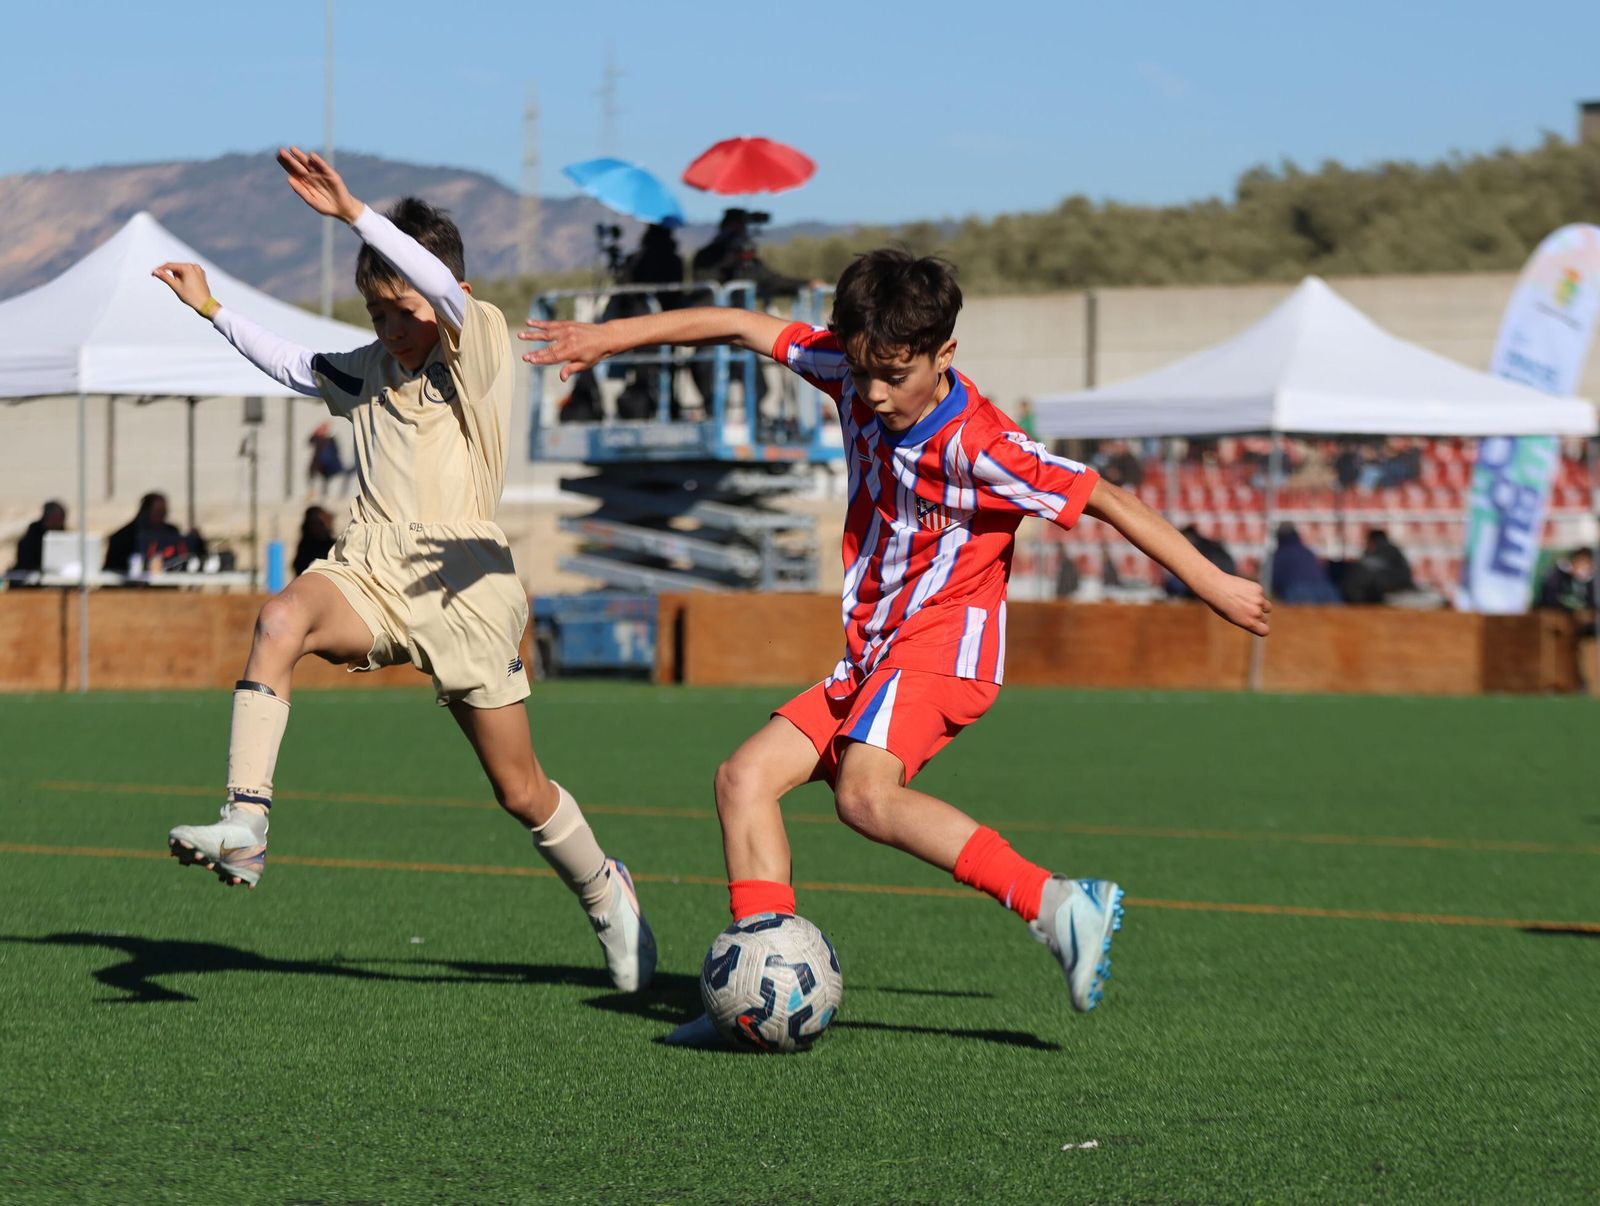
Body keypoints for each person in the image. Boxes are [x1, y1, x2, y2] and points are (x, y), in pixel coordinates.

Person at [524, 249, 1270, 1038]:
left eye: (896, 375)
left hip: (947, 648)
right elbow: (740, 324)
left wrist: (1212, 581)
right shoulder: (852, 372)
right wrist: (609, 338)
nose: (874, 394)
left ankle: (1058, 904)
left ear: (944, 353)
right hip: (874, 652)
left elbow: (1106, 499)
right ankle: (751, 988)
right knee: (743, 779)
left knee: (864, 794)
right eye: (862, 371)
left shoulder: (982, 445)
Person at [150, 148, 654, 992]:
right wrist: (211, 309)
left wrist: (354, 214)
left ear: (437, 290)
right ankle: (246, 824)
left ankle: (607, 892)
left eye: (397, 305)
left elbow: (442, 290)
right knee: (280, 619)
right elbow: (293, 365)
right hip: (373, 571)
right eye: (374, 309)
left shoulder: (477, 340)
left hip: (467, 586)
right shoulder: (372, 368)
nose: (385, 323)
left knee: (519, 790)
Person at [103, 492, 190, 573]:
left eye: (164, 512)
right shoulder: (124, 537)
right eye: (158, 513)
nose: (162, 517)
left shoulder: (171, 531)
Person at [1270, 523, 1341, 604]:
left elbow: (1274, 579)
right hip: (1325, 590)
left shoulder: (1280, 555)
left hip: (1298, 592)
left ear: (1279, 537)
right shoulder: (1307, 551)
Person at [1340, 528, 1415, 604]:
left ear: (1372, 540)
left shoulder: (1385, 549)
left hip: (1391, 588)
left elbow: (1372, 568)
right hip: (1394, 586)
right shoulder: (1392, 549)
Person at [9, 500, 65, 574]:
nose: (56, 522)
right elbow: (25, 560)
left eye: (59, 519)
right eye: (53, 518)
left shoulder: (64, 536)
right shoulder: (33, 534)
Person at [292, 506, 336, 577]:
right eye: (315, 523)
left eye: (321, 523)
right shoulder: (306, 546)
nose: (319, 527)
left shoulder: (334, 546)